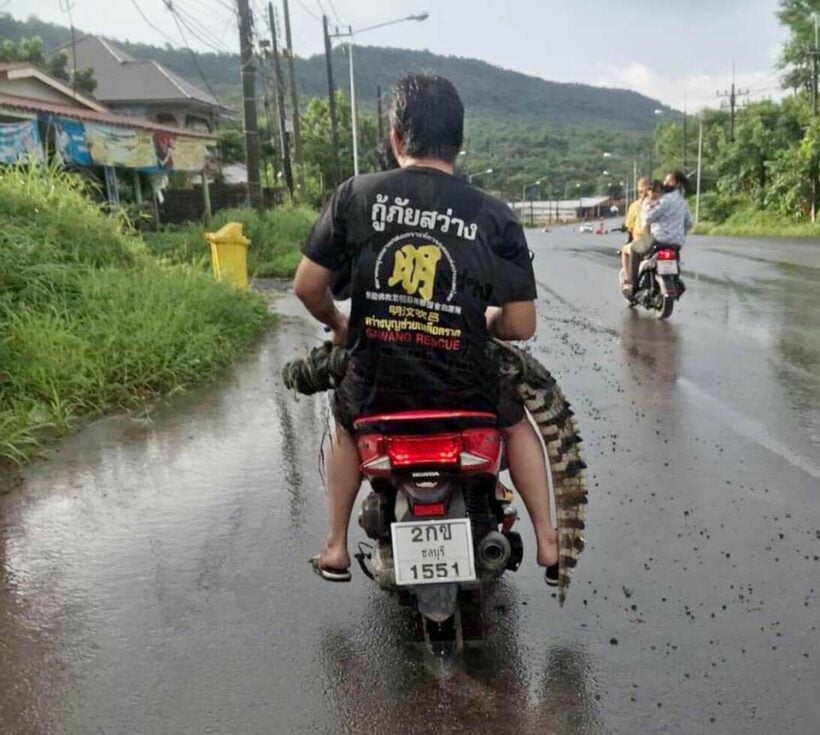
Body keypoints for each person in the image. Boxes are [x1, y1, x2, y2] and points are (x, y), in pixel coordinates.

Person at [293, 73, 559, 584]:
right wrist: (488, 318)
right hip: (469, 391)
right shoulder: (493, 214)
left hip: (377, 392)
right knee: (518, 422)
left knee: (342, 422)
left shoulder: (355, 195)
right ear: (459, 142)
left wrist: (340, 323)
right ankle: (548, 539)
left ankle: (334, 546)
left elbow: (307, 287)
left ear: (396, 137)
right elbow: (521, 325)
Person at [620, 177, 650, 292]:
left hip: (642, 241)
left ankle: (630, 281)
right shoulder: (660, 203)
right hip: (661, 240)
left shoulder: (636, 205)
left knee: (625, 250)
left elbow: (629, 226)